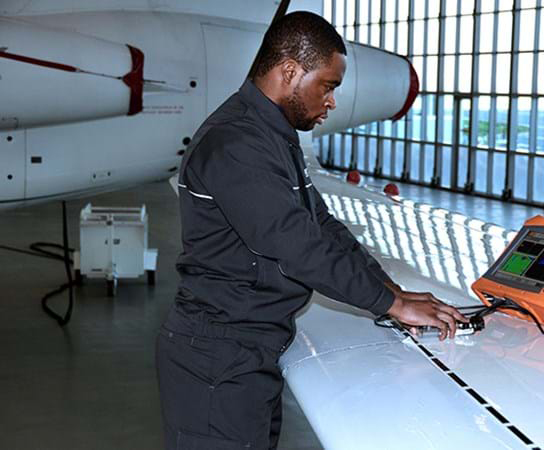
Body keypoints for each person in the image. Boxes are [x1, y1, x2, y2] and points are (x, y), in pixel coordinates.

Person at [156, 11, 467, 450]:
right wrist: (393, 304)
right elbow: (299, 248)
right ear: (289, 72)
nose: (332, 101)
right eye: (328, 85)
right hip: (218, 363)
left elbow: (321, 225)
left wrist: (390, 290)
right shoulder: (236, 143)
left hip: (248, 355)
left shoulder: (269, 134)